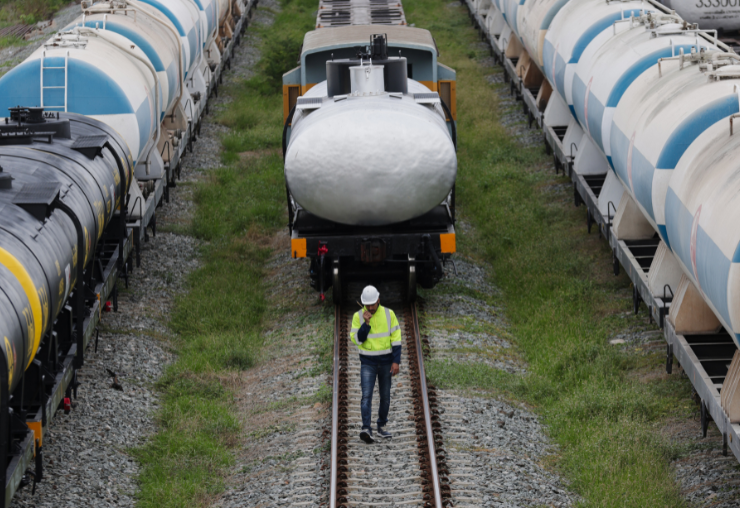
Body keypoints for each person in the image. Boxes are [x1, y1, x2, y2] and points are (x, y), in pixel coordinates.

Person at [350, 285, 402, 444]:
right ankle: (366, 428)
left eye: (373, 304)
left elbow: (396, 338)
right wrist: (365, 324)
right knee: (366, 396)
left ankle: (380, 425)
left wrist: (396, 361)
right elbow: (357, 339)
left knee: (385, 397)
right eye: (367, 305)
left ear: (378, 300)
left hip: (386, 362)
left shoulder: (389, 314)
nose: (370, 308)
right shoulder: (358, 316)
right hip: (368, 363)